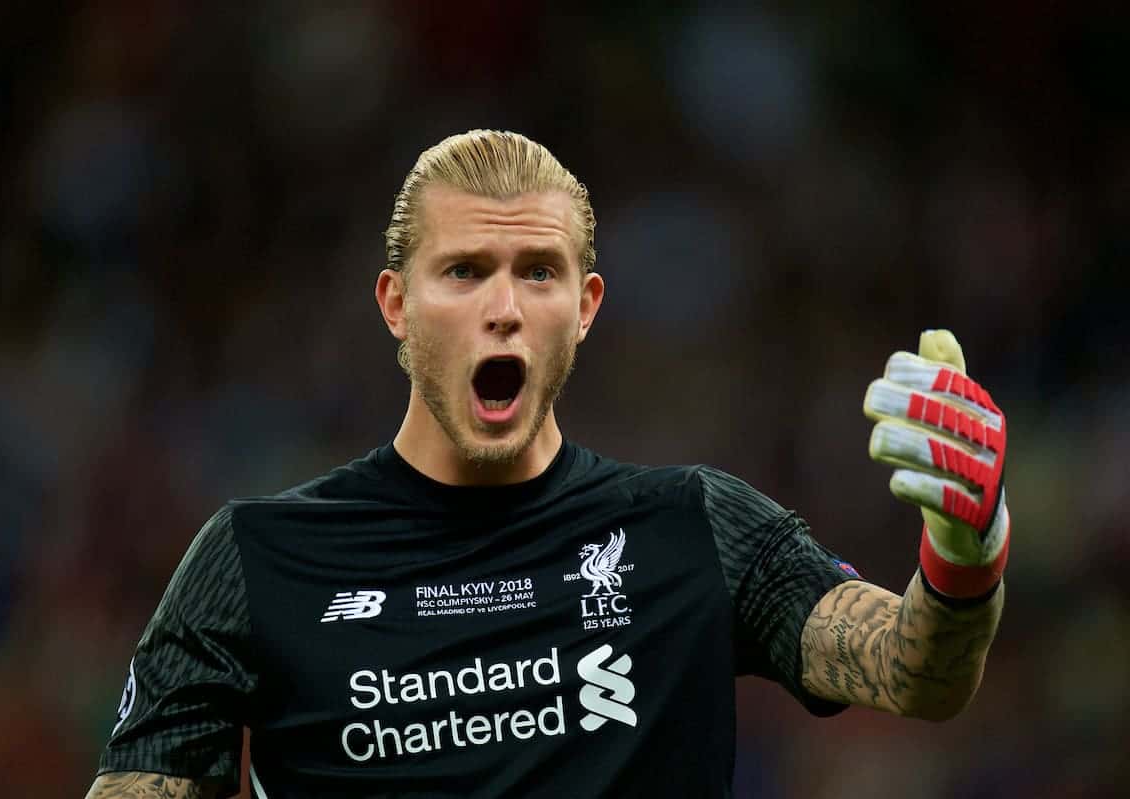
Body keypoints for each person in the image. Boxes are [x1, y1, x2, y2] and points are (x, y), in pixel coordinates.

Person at [85, 130, 1009, 799]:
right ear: (395, 304)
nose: (504, 307)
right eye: (464, 271)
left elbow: (916, 672)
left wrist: (968, 549)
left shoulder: (699, 526)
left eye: (538, 270)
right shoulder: (255, 560)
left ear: (587, 305)